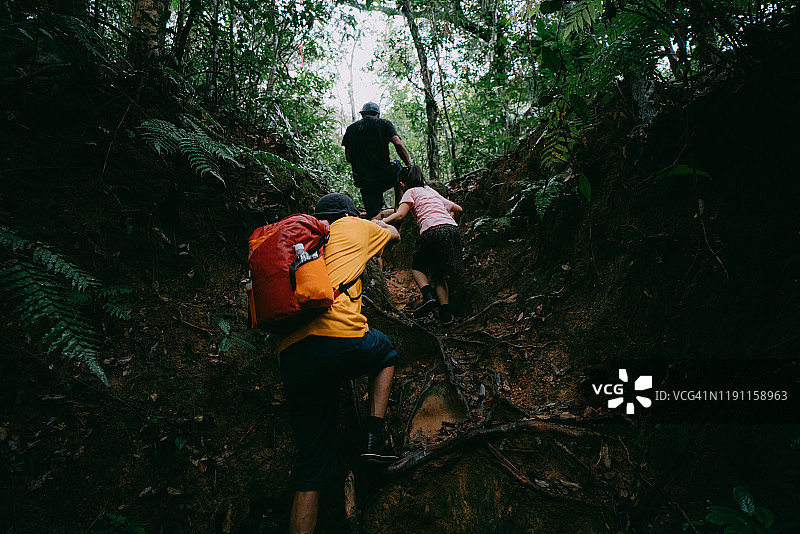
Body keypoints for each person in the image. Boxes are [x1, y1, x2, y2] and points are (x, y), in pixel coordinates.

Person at [276, 193, 401, 534]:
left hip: (291, 353)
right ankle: (374, 440)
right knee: (387, 351)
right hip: (337, 339)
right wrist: (376, 223)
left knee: (311, 470)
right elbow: (394, 235)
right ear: (348, 212)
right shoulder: (352, 227)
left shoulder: (301, 244)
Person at [382, 166, 463, 325]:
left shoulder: (410, 192)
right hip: (451, 229)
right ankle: (446, 316)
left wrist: (380, 221)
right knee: (438, 274)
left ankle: (428, 297)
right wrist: (454, 224)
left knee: (417, 267)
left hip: (432, 230)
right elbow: (458, 209)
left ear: (402, 183)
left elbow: (400, 215)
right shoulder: (430, 191)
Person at [342, 102, 412, 219]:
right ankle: (398, 209)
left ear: (362, 115)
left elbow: (349, 158)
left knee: (374, 217)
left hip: (365, 180)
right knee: (399, 167)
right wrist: (409, 165)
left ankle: (378, 222)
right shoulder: (384, 124)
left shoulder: (351, 129)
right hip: (385, 175)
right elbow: (398, 144)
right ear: (377, 114)